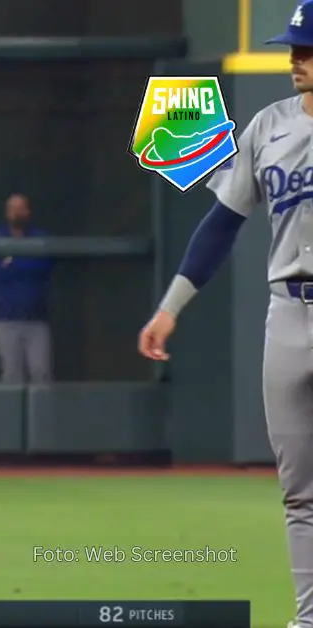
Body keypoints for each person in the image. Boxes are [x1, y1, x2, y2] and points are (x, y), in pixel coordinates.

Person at [137, 4, 313, 627]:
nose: (296, 57)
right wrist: (170, 308)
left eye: (307, 48)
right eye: (293, 47)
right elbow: (220, 226)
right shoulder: (268, 125)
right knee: (299, 488)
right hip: (288, 313)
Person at [0, 193, 54, 383]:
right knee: (11, 376)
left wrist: (12, 262)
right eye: (13, 209)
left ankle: (42, 413)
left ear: (28, 212)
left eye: (21, 208)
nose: (17, 213)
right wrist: (23, 264)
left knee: (42, 373)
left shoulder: (40, 238)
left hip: (36, 319)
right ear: (7, 213)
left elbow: (42, 267)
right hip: (5, 319)